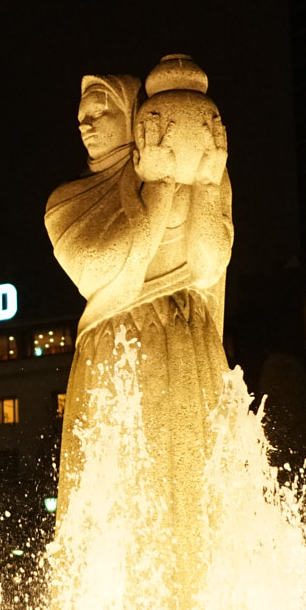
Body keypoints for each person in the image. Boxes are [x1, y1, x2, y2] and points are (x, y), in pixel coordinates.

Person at [44, 56, 233, 547]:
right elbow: (101, 266)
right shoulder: (67, 202)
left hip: (188, 342)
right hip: (115, 347)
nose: (84, 123)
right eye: (82, 115)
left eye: (98, 111)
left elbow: (209, 264)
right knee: (117, 515)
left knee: (194, 500)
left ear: (131, 113)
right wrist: (162, 186)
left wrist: (207, 185)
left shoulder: (196, 174)